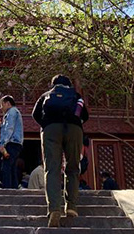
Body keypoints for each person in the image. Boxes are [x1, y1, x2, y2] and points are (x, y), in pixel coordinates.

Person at [32, 74, 89, 227]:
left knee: (52, 169)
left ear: (53, 84)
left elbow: (35, 114)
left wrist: (47, 125)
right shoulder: (76, 95)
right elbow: (85, 115)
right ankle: (71, 206)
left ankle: (54, 209)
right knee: (72, 168)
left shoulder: (46, 95)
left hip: (51, 130)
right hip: (74, 129)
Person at [0, 95, 24, 189]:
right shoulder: (15, 112)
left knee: (6, 167)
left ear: (8, 103)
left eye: (2, 104)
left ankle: (7, 189)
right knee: (12, 168)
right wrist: (2, 125)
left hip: (11, 143)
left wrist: (2, 143)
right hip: (16, 143)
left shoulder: (11, 112)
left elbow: (9, 129)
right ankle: (14, 187)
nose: (1, 107)